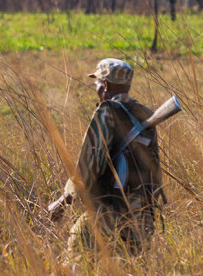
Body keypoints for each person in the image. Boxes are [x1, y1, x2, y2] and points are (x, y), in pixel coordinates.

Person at [48, 58, 163, 253]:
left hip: (108, 214)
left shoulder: (106, 113)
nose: (96, 88)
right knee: (133, 272)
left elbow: (88, 166)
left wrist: (64, 200)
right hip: (141, 215)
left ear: (106, 85)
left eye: (97, 83)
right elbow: (154, 170)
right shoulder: (146, 115)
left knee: (77, 266)